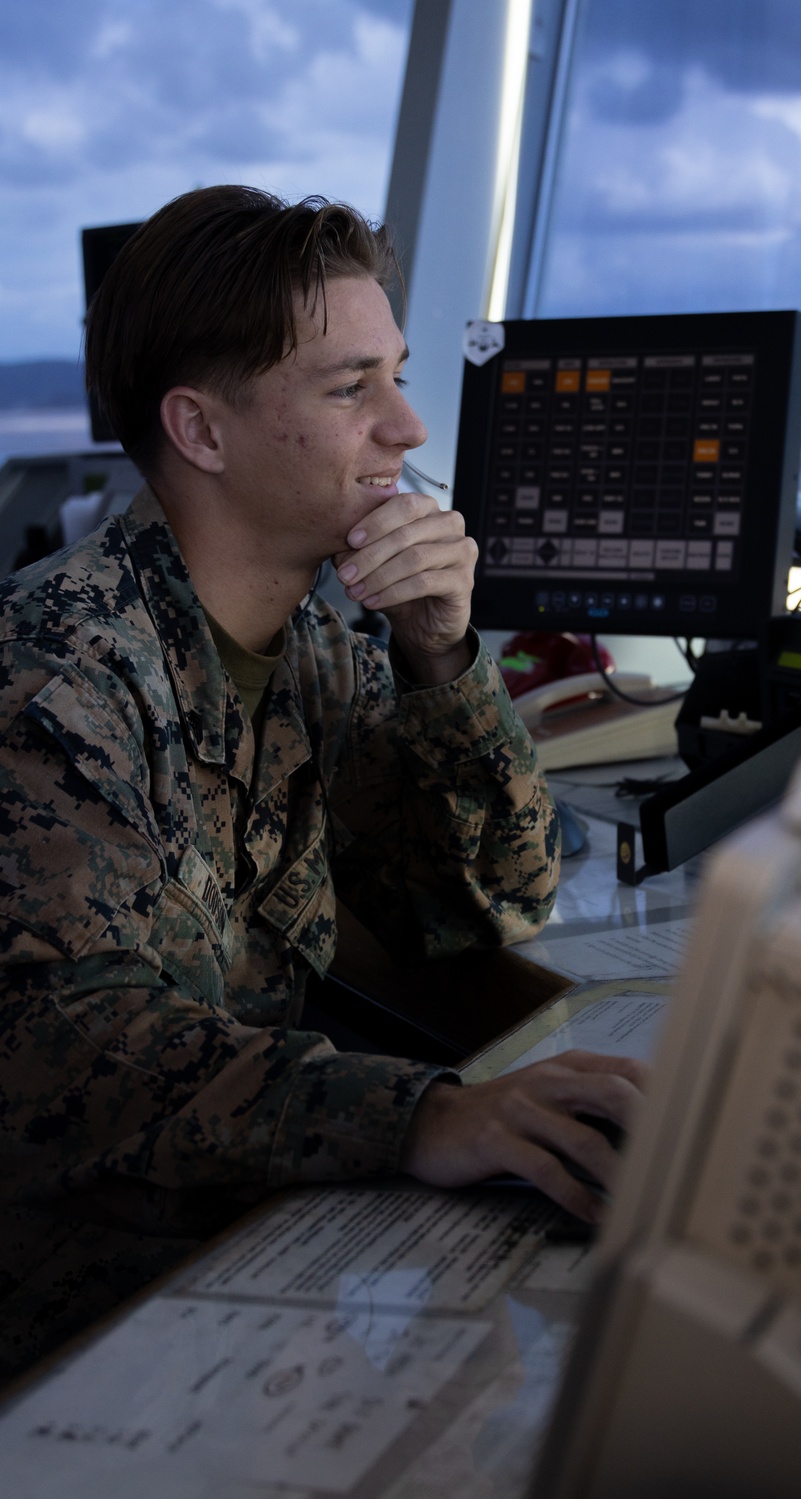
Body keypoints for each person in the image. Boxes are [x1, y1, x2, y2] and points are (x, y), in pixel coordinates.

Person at [0, 185, 644, 1381]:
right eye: (352, 389)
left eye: (394, 374)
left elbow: (484, 906)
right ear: (201, 431)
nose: (406, 424)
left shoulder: (324, 636)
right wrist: (423, 1114)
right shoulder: (56, 682)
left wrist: (444, 653)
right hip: (74, 1327)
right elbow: (71, 1049)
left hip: (250, 1256)